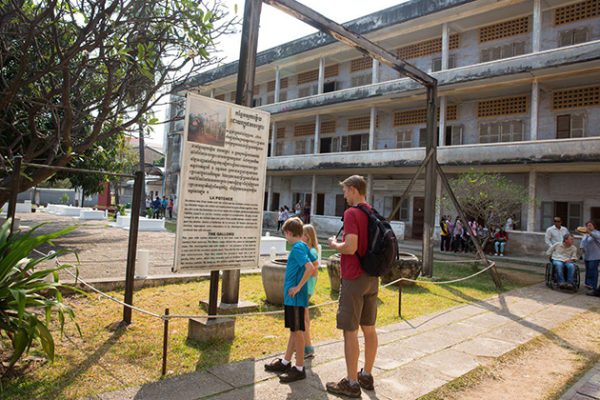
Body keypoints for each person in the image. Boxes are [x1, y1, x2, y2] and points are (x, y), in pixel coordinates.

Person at [327, 175, 378, 398]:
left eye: (346, 191)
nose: (345, 195)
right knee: (369, 327)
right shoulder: (371, 211)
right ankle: (366, 374)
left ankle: (351, 383)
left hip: (354, 277)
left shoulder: (352, 213)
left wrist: (334, 244)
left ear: (355, 190)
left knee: (350, 330)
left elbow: (350, 247)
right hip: (371, 277)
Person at [264, 217, 317, 383]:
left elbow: (310, 268)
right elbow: (315, 266)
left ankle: (299, 368)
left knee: (298, 332)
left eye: (285, 234)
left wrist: (298, 286)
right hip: (294, 298)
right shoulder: (303, 246)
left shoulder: (297, 248)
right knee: (294, 331)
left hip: (295, 298)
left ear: (288, 232)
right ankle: (286, 361)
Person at [302, 224, 320, 358]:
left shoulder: (312, 252)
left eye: (302, 234)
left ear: (308, 236)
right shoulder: (308, 250)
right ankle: (303, 345)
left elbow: (313, 272)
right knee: (303, 317)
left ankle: (308, 347)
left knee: (303, 319)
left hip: (305, 289)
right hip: (305, 288)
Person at [579, 221, 600, 296]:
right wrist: (581, 249)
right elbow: (583, 242)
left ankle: (593, 286)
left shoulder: (597, 233)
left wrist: (589, 232)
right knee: (588, 270)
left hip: (595, 256)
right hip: (587, 255)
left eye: (590, 225)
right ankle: (588, 285)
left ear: (594, 226)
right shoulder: (585, 235)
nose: (589, 227)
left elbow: (597, 237)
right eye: (587, 225)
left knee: (593, 271)